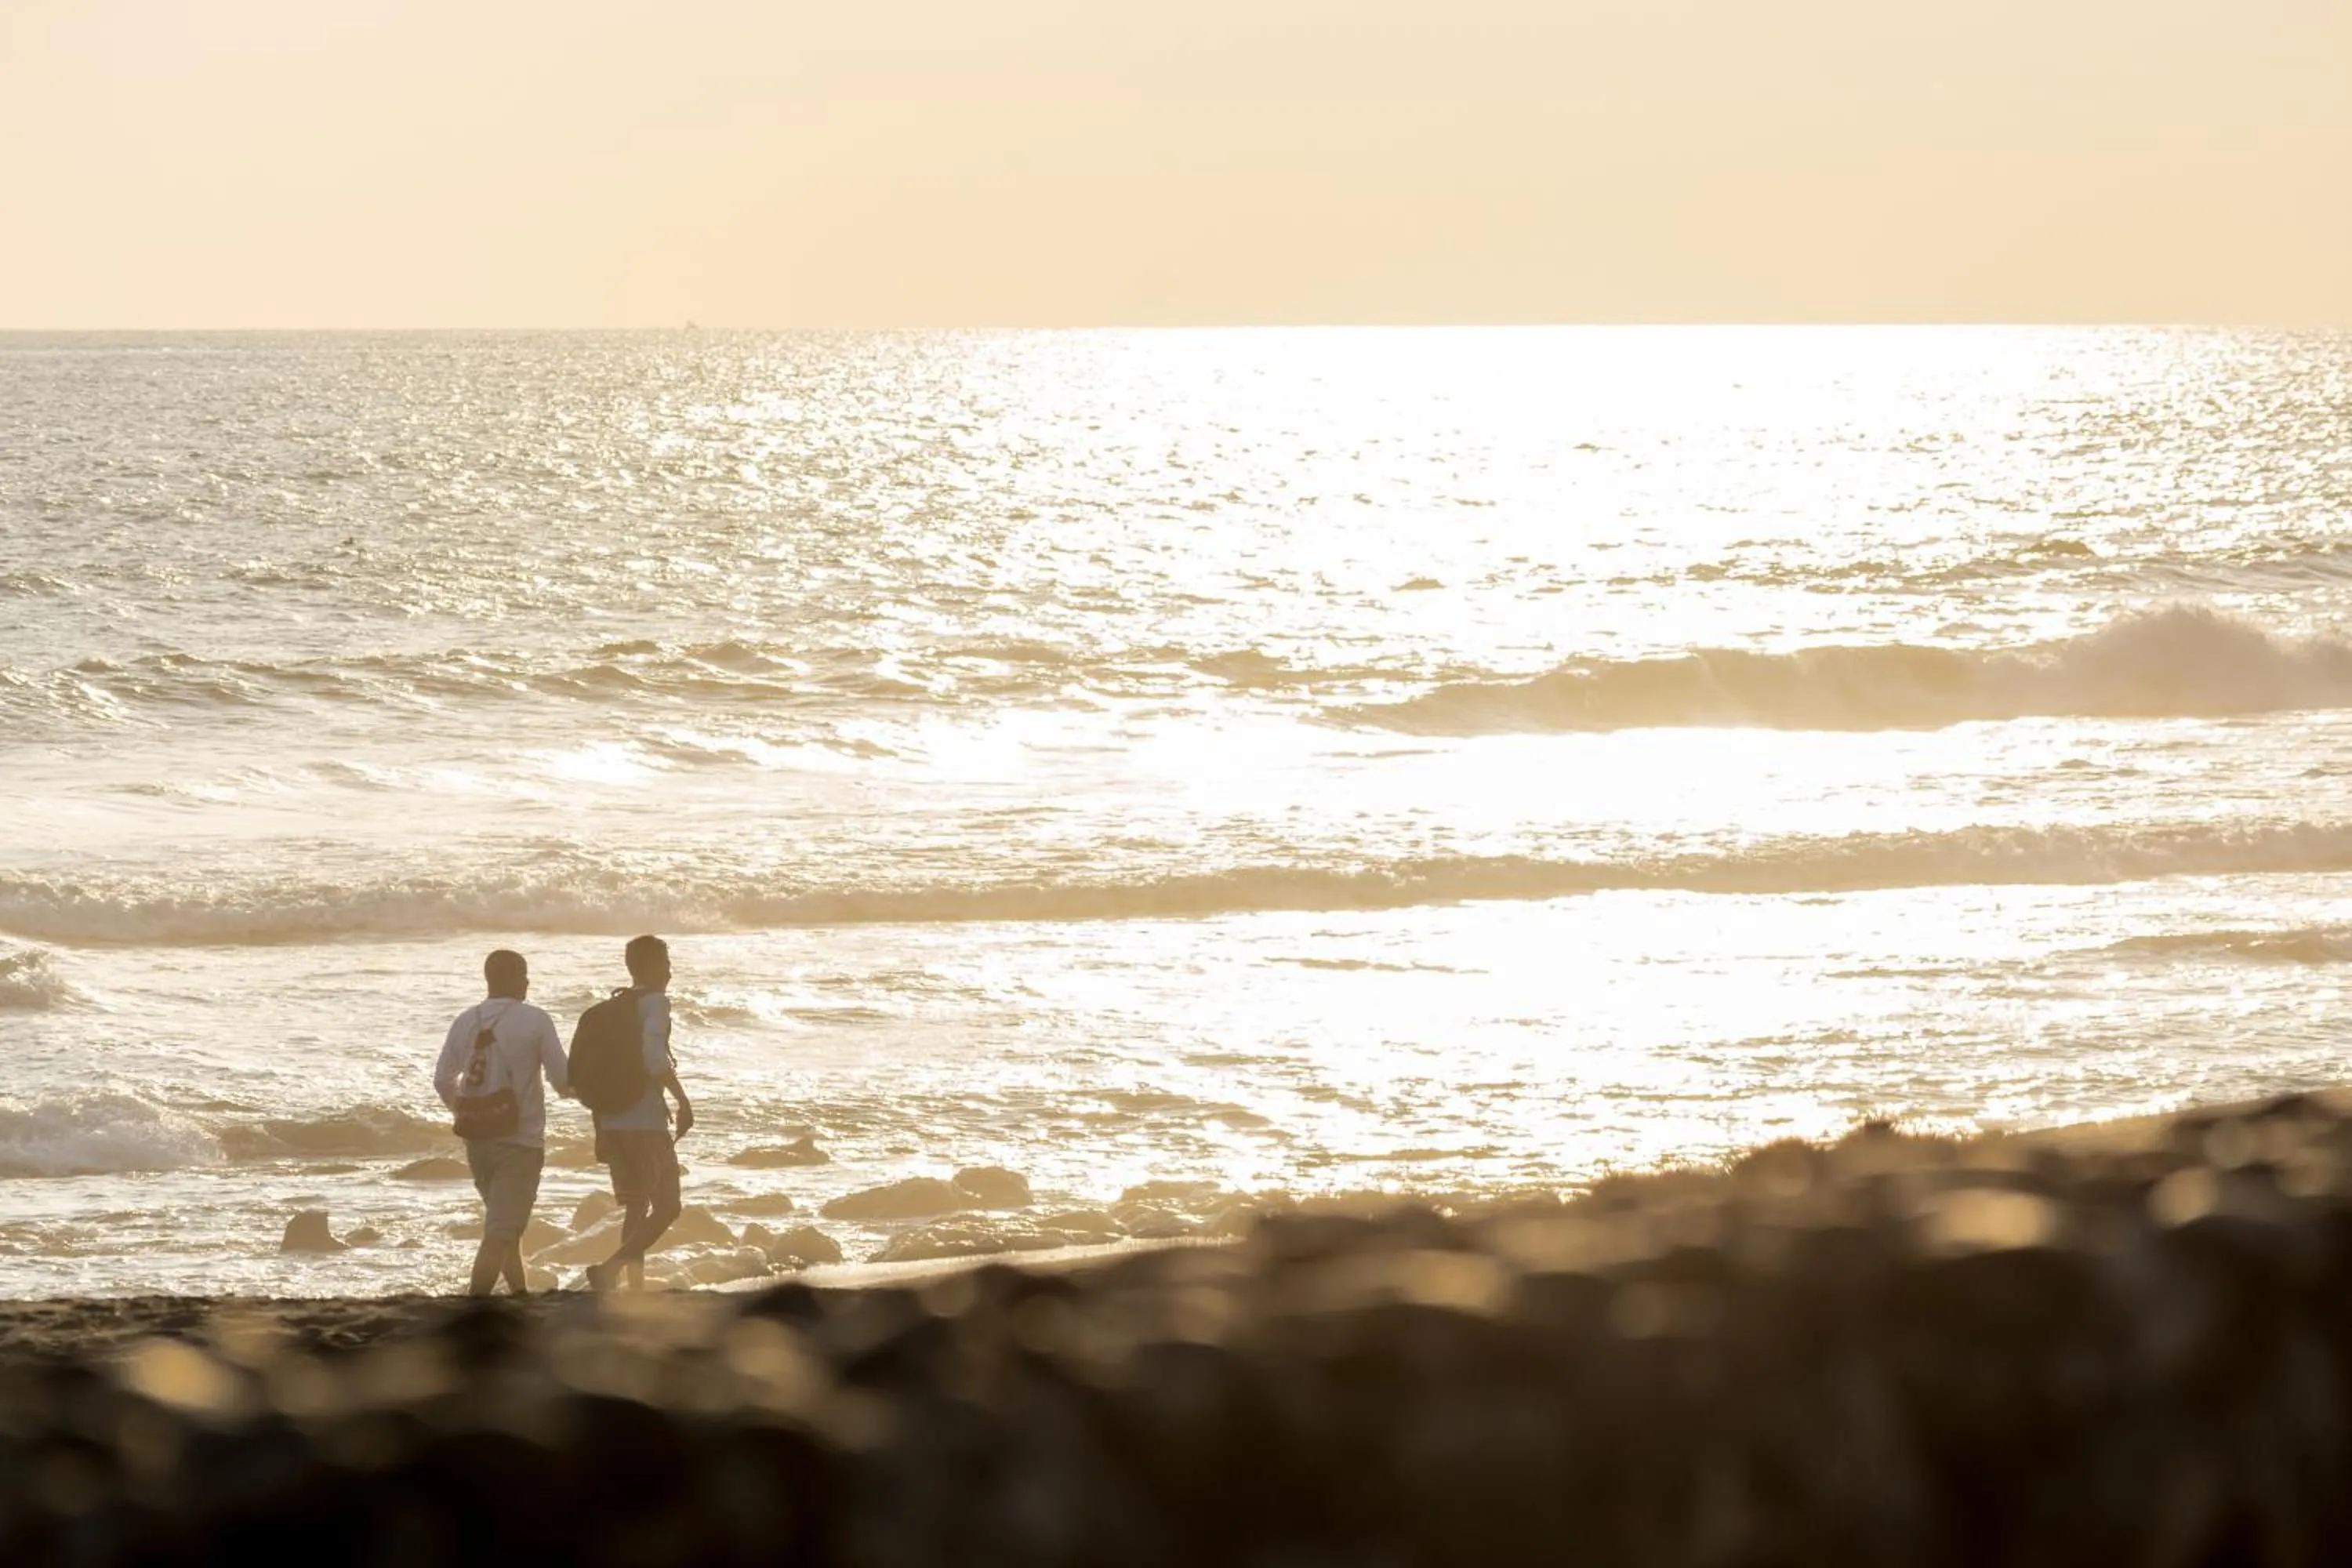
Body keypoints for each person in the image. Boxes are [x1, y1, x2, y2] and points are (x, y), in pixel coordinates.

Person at [433, 949, 571, 1296]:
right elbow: (563, 1081)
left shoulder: (466, 1020)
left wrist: (464, 1110)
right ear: (513, 978)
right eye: (524, 975)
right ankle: (474, 1306)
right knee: (500, 1232)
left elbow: (442, 1080)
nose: (528, 982)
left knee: (505, 1228)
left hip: (476, 1141)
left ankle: (519, 1297)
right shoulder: (536, 1020)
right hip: (520, 1142)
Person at [586, 934, 695, 1290]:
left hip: (613, 1121)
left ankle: (635, 1287)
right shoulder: (655, 1004)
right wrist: (682, 1100)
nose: (671, 968)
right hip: (646, 1124)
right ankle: (611, 1268)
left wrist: (600, 1127)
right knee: (667, 1206)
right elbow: (653, 1058)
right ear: (652, 966)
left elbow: (597, 1074)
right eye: (666, 961)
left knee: (636, 1206)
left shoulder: (614, 1008)